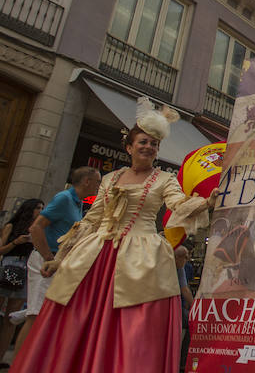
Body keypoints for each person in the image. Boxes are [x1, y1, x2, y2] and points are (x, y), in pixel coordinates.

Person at [11, 97, 215, 373]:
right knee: (77, 316)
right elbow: (90, 221)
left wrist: (204, 202)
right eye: (143, 141)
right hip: (97, 256)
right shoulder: (110, 179)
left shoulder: (165, 180)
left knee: (131, 324)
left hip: (140, 259)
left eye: (154, 143)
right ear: (129, 146)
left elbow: (178, 204)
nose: (148, 147)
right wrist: (59, 259)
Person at [14, 167, 100, 357]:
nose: (98, 186)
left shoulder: (77, 203)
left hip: (56, 263)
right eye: (97, 182)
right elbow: (36, 228)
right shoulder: (64, 198)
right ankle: (19, 365)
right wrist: (49, 258)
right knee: (35, 315)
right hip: (46, 261)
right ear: (87, 182)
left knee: (44, 314)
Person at [0, 199, 42, 367]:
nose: (40, 211)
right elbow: (1, 249)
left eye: (42, 208)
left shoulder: (39, 229)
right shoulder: (11, 227)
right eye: (38, 208)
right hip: (9, 265)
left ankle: (1, 357)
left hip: (26, 268)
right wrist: (16, 242)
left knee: (12, 317)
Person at [174, 245, 193, 371]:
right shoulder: (181, 268)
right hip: (175, 310)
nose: (187, 260)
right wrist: (195, 306)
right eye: (185, 257)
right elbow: (184, 290)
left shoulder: (181, 268)